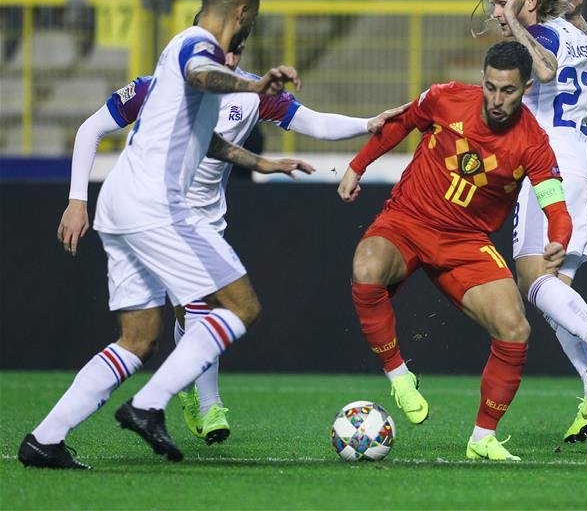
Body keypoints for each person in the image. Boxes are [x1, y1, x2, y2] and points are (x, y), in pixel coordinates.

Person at [53, 38, 406, 446]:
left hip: (204, 219)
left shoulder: (253, 93)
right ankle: (201, 403)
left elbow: (313, 122)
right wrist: (77, 200)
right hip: (153, 211)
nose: (229, 58)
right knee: (182, 317)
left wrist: (366, 124)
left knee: (189, 313)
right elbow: (91, 128)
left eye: (236, 51)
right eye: (222, 49)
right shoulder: (156, 88)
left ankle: (184, 396)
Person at [18, 0, 292, 469]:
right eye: (252, 20)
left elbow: (203, 139)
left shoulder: (175, 54)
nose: (250, 29)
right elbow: (201, 74)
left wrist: (258, 162)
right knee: (241, 305)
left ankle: (44, 440)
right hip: (155, 204)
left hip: (120, 202)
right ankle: (148, 405)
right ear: (241, 13)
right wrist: (253, 86)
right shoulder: (197, 47)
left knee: (139, 338)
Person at [338, 41, 572, 461]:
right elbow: (401, 123)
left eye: (508, 91)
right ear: (482, 79)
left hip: (466, 242)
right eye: (490, 87)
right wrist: (358, 165)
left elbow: (555, 204)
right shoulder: (444, 98)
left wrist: (559, 237)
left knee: (515, 329)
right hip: (408, 219)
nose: (496, 99)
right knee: (366, 266)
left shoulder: (533, 143)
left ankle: (482, 438)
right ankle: (399, 376)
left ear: (526, 88)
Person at [484, 0, 587, 443]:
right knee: (554, 290)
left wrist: (518, 24)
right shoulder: (572, 33)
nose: (497, 13)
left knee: (531, 279)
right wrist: (581, 19)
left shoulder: (541, 35)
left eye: (502, 2)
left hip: (550, 166)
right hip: (584, 164)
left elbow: (543, 70)